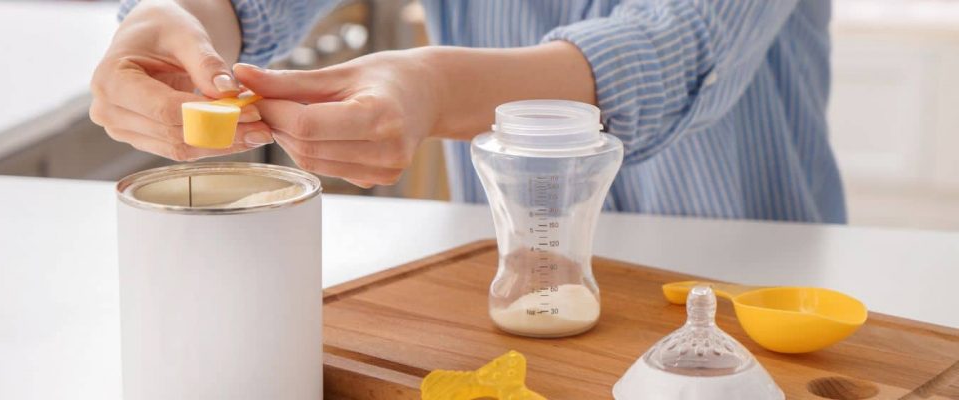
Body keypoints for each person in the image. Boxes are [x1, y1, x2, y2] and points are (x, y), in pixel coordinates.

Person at [90, 0, 846, 223]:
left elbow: (683, 44)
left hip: (753, 262)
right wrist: (172, 20)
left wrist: (435, 89)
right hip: (516, 280)